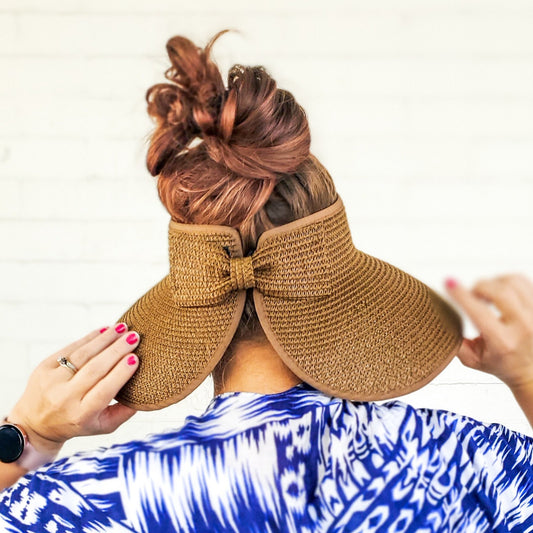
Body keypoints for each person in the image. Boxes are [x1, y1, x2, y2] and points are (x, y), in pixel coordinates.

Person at [0, 29, 532, 533]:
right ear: (343, 289)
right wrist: (527, 380)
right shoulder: (466, 462)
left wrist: (29, 433)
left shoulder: (84, 499)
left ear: (194, 304)